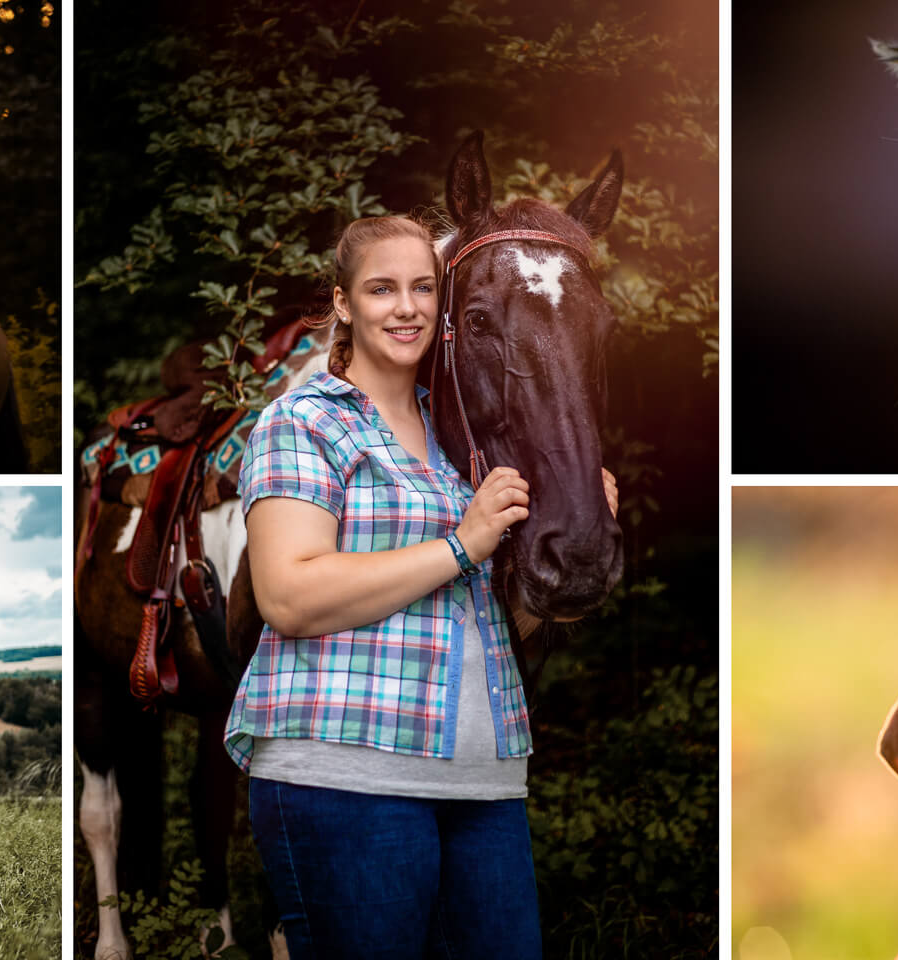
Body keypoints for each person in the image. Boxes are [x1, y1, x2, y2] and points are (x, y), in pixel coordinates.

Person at [225, 215, 616, 958]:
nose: (404, 307)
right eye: (380, 289)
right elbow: (289, 597)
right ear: (342, 303)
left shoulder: (464, 439)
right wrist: (462, 543)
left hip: (483, 778)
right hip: (344, 774)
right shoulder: (303, 423)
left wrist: (557, 567)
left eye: (421, 288)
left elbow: (496, 626)